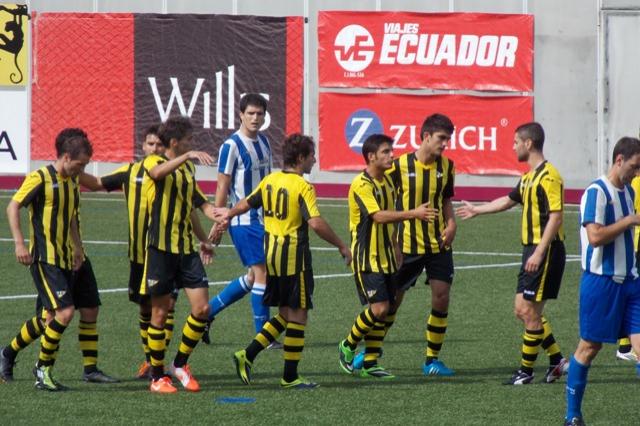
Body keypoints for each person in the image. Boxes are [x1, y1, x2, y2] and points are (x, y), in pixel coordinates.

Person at [78, 124, 212, 379]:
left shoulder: (177, 171)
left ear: (166, 145)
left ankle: (163, 363)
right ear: (143, 147)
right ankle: (151, 362)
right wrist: (71, 171)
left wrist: (206, 232)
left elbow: (191, 206)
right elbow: (96, 182)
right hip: (140, 252)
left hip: (164, 249)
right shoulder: (132, 171)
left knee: (168, 305)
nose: (155, 148)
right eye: (150, 144)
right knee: (146, 308)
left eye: (158, 144)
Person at [227, 133, 352, 389]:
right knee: (299, 316)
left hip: (272, 258)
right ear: (301, 158)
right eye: (311, 156)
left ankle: (247, 354)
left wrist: (226, 215)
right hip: (295, 259)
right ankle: (290, 377)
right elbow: (315, 223)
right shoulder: (303, 187)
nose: (314, 160)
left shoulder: (270, 180)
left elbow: (247, 203)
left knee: (285, 314)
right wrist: (341, 245)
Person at [1, 128, 117, 390]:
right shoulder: (40, 177)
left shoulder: (72, 181)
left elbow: (71, 217)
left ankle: (89, 369)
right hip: (47, 260)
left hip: (72, 258)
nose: (82, 169)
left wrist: (78, 248)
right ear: (66, 157)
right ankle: (41, 370)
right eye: (80, 164)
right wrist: (19, 243)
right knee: (59, 315)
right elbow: (12, 206)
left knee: (85, 310)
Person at [456, 122, 569, 384]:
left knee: (529, 311)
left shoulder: (549, 175)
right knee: (523, 310)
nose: (513, 145)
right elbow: (508, 200)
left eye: (516, 141)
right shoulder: (529, 177)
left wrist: (539, 252)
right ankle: (557, 361)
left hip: (546, 250)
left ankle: (526, 372)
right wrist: (477, 210)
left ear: (529, 143)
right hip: (532, 250)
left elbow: (556, 216)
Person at [338, 134, 436, 379]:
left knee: (388, 308)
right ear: (371, 157)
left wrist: (396, 245)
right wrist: (413, 213)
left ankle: (370, 363)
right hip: (367, 258)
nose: (391, 155)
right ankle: (348, 345)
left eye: (390, 151)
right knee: (379, 309)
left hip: (388, 257)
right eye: (385, 152)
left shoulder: (388, 183)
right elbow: (378, 216)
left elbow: (389, 218)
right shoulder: (362, 184)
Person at [368, 113, 457, 377]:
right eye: (441, 138)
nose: (445, 144)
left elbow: (446, 201)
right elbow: (387, 204)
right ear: (426, 136)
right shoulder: (398, 166)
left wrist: (451, 224)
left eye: (448, 139)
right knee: (392, 303)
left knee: (441, 298)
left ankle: (432, 360)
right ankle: (371, 352)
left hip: (439, 244)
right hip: (406, 246)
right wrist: (394, 242)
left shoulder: (448, 166)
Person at [141, 115, 222, 394]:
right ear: (174, 143)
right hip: (161, 250)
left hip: (186, 250)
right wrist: (187, 155)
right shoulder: (154, 161)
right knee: (160, 314)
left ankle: (179, 364)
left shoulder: (187, 171)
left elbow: (199, 205)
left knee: (202, 309)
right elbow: (156, 175)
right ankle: (156, 377)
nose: (192, 144)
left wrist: (219, 220)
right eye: (188, 140)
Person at [564, 137, 640, 426]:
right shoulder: (596, 192)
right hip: (601, 282)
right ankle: (572, 414)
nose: (636, 173)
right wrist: (630, 221)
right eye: (634, 166)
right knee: (589, 348)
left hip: (631, 282)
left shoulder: (629, 191)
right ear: (619, 159)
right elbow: (595, 237)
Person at [202, 93, 278, 348]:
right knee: (262, 274)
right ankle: (264, 337)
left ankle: (207, 313)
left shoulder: (265, 142)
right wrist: (218, 219)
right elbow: (222, 186)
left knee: (251, 277)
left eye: (260, 114)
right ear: (241, 115)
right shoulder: (231, 146)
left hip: (264, 219)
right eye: (251, 113)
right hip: (243, 220)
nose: (255, 118)